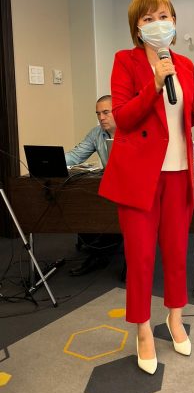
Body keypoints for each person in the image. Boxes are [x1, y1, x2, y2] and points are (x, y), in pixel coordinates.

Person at [99, 0, 194, 374]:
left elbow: (180, 117)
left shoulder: (183, 63)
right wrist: (153, 85)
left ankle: (175, 317)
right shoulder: (126, 61)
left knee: (175, 251)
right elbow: (123, 118)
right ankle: (142, 330)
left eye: (164, 16)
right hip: (139, 177)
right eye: (148, 18)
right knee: (140, 258)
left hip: (178, 172)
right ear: (137, 28)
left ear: (174, 21)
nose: (158, 24)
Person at [65, 95, 122, 276]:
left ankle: (120, 257)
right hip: (110, 188)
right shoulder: (96, 133)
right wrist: (52, 161)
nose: (101, 117)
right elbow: (75, 156)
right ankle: (98, 254)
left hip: (134, 189)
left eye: (106, 112)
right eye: (98, 114)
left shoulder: (135, 131)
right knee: (84, 202)